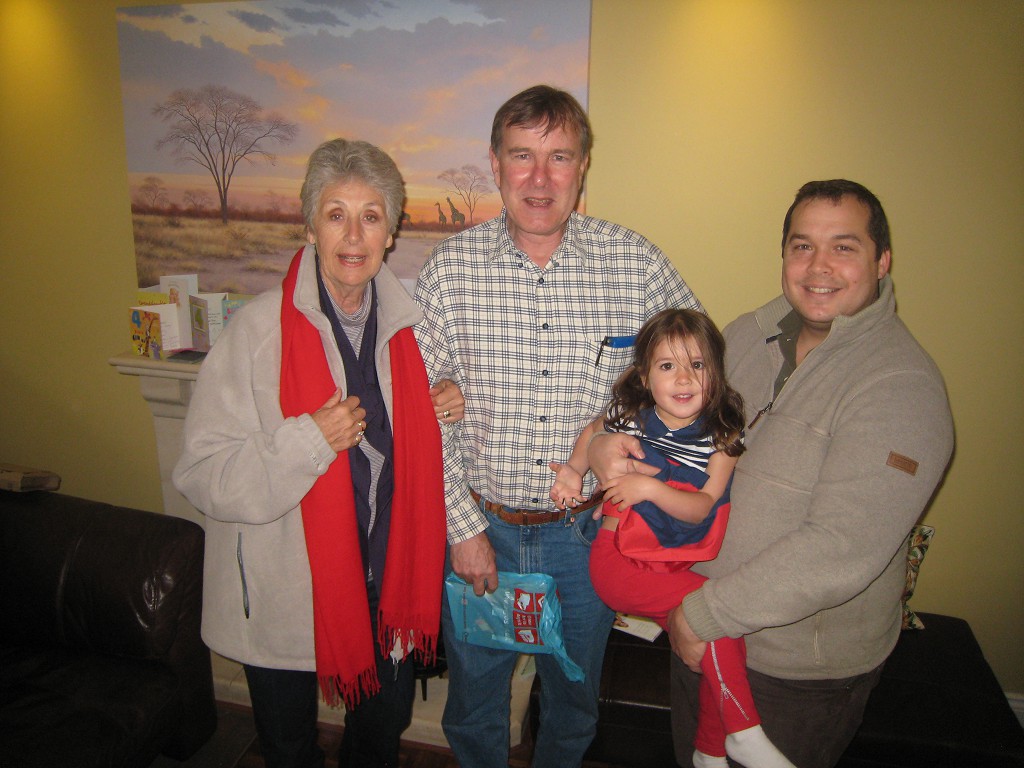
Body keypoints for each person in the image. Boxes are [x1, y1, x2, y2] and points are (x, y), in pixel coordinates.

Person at [590, 179, 954, 768]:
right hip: (699, 630)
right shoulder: (742, 336)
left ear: (882, 261)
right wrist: (603, 444)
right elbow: (662, 413)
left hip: (790, 669)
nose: (818, 266)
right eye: (802, 245)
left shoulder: (901, 388)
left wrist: (701, 615)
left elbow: (841, 547)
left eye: (844, 247)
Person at [414, 84, 703, 768]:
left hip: (589, 538)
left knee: (573, 704)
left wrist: (621, 437)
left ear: (583, 166)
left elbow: (696, 380)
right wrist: (462, 529)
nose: (540, 179)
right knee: (474, 706)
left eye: (560, 157)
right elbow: (419, 415)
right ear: (495, 164)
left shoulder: (637, 266)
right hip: (482, 530)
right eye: (522, 156)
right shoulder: (450, 272)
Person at [173, 138, 463, 768]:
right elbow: (201, 472)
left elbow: (416, 460)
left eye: (370, 216)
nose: (353, 236)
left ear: (390, 233)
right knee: (288, 750)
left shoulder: (414, 333)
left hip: (385, 586)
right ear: (310, 227)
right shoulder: (256, 332)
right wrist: (308, 440)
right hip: (283, 593)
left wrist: (447, 406)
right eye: (336, 215)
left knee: (379, 741)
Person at [551, 308, 795, 768]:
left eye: (697, 365)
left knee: (720, 636)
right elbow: (593, 431)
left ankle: (712, 749)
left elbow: (703, 506)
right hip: (618, 563)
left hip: (666, 566)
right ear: (645, 378)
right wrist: (573, 470)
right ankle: (744, 729)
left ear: (715, 373)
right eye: (667, 366)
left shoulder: (722, 436)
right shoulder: (630, 415)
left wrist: (648, 489)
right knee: (716, 611)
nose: (683, 378)